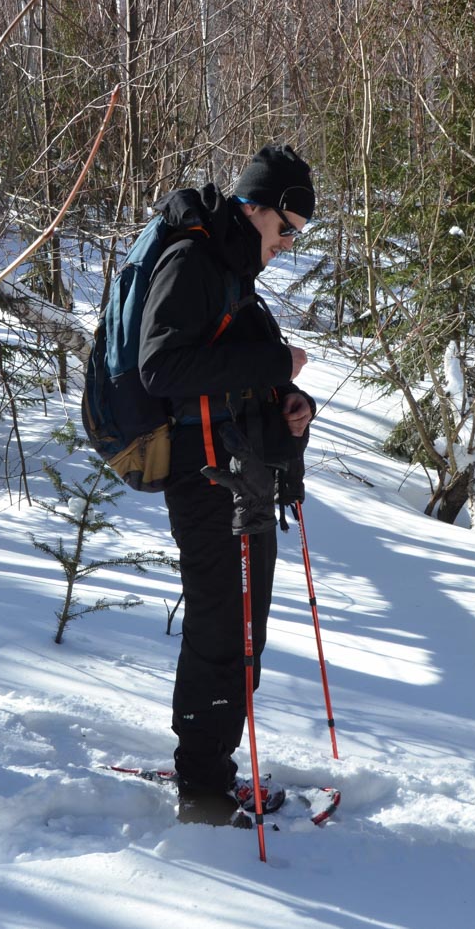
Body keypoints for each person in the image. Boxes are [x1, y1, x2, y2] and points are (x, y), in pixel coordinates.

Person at [137, 144, 317, 821]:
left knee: (240, 632)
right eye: (287, 227)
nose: (289, 242)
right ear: (256, 207)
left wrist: (290, 399)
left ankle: (209, 769)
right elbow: (163, 369)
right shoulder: (194, 260)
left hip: (240, 477)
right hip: (210, 480)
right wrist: (273, 358)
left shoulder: (230, 272)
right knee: (225, 632)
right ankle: (205, 787)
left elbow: (225, 378)